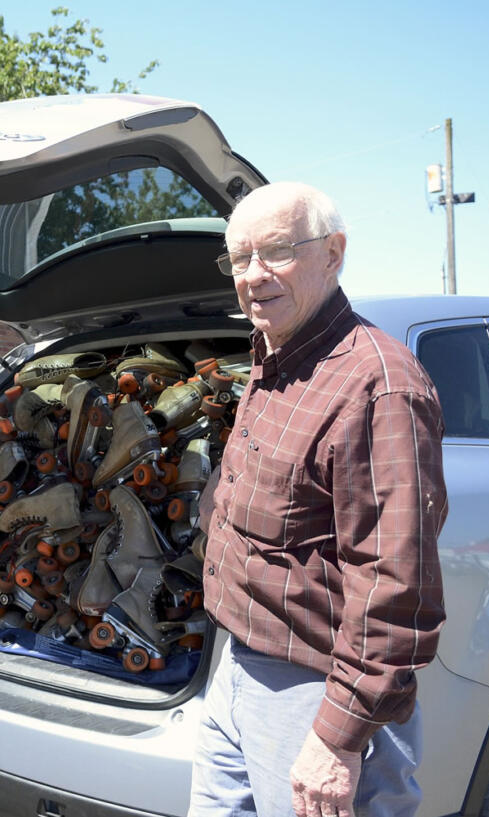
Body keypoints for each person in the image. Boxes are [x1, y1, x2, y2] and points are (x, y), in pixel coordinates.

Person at [188, 182, 447, 817]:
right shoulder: (271, 360)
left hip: (317, 692)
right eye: (239, 258)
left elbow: (396, 585)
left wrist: (337, 739)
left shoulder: (378, 386)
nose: (254, 275)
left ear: (333, 253)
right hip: (236, 670)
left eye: (276, 251)